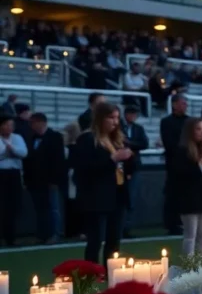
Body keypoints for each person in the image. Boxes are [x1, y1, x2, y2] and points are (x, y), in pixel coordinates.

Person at [76, 102, 133, 263]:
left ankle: (112, 273)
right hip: (97, 197)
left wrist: (129, 159)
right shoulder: (88, 139)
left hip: (118, 194)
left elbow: (128, 167)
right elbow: (85, 168)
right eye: (111, 117)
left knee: (114, 239)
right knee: (95, 240)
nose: (115, 122)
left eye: (117, 118)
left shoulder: (118, 139)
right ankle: (91, 275)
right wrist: (113, 159)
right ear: (100, 119)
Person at [173, 117, 202, 257]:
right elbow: (182, 174)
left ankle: (199, 266)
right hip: (189, 198)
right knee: (191, 234)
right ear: (190, 131)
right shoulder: (182, 150)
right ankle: (189, 267)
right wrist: (200, 165)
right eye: (198, 129)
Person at [24, 113, 66, 244]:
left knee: (53, 208)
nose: (31, 125)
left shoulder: (55, 137)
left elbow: (58, 160)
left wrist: (54, 180)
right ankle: (43, 234)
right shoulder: (31, 138)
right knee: (40, 208)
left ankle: (56, 233)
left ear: (42, 122)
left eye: (33, 122)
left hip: (50, 180)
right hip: (34, 180)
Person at [160, 94, 189, 234]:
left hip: (190, 164)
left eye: (185, 104)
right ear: (174, 105)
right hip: (174, 164)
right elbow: (169, 143)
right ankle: (172, 224)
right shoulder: (166, 122)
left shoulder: (190, 121)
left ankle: (185, 222)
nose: (185, 106)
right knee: (173, 194)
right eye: (182, 103)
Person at [121, 105, 150, 238]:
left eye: (135, 114)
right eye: (131, 114)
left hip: (134, 165)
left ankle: (127, 227)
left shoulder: (138, 128)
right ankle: (120, 226)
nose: (133, 117)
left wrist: (129, 143)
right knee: (122, 197)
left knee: (131, 198)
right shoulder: (119, 127)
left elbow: (144, 144)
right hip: (121, 166)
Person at [0, 115, 28, 246]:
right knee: (3, 205)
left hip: (14, 174)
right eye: (6, 124)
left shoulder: (17, 138)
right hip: (2, 174)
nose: (9, 127)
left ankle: (11, 237)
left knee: (14, 205)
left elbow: (23, 153)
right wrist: (7, 152)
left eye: (11, 125)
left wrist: (12, 150)